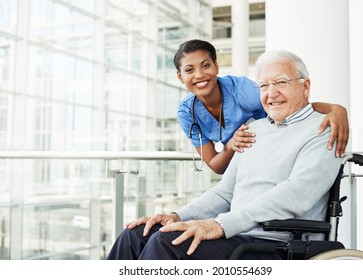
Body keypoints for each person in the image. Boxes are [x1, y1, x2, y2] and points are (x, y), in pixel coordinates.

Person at [107, 49, 343, 260]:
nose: (271, 94)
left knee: (167, 244)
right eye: (263, 86)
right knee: (137, 235)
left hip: (275, 243)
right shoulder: (253, 130)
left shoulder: (324, 130)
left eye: (281, 82)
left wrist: (221, 225)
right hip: (236, 233)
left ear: (305, 86)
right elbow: (225, 192)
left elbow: (296, 195)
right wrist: (177, 215)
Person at [175, 39, 348, 174]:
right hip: (241, 168)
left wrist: (335, 109)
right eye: (189, 70)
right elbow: (215, 165)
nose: (199, 75)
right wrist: (231, 145)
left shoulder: (243, 91)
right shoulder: (186, 111)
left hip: (275, 155)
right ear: (180, 77)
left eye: (206, 65)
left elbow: (294, 104)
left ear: (216, 67)